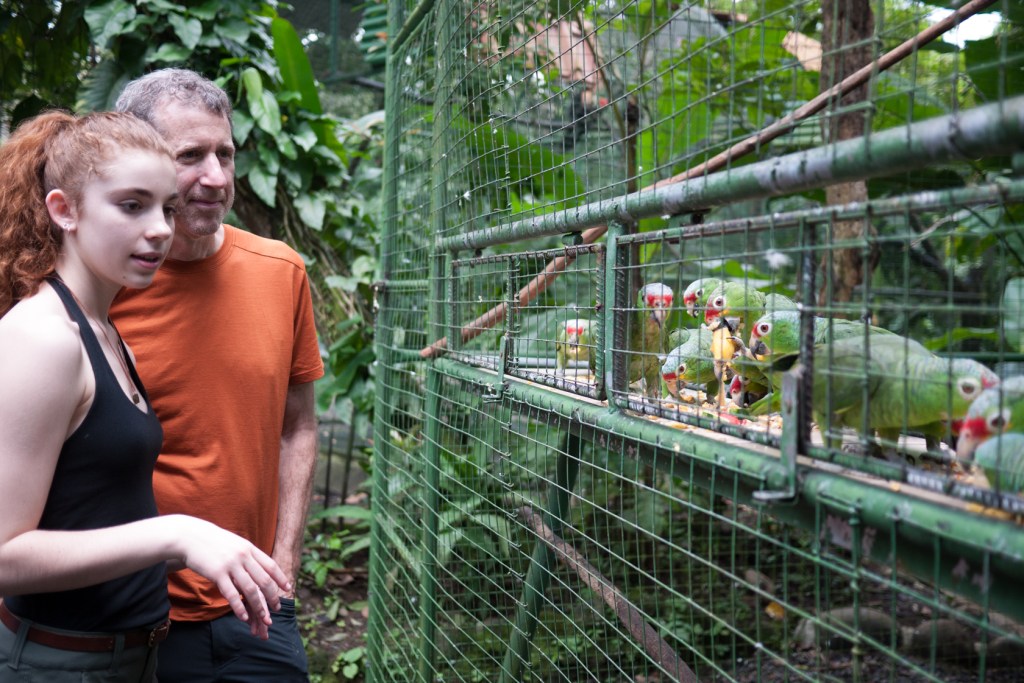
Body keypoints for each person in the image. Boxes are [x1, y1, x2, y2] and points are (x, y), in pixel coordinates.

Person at [0, 110, 291, 683]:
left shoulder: (105, 331)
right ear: (64, 211)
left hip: (129, 656)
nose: (159, 228)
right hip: (58, 664)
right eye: (132, 205)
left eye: (167, 208)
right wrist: (175, 534)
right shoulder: (43, 338)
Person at [110, 68, 324, 682]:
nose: (217, 177)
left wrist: (285, 562)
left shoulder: (281, 271)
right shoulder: (100, 286)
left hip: (257, 603)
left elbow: (299, 425)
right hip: (131, 609)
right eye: (190, 156)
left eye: (224, 154)